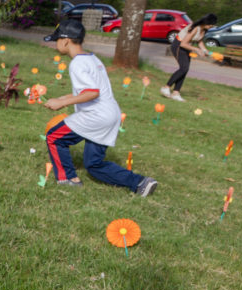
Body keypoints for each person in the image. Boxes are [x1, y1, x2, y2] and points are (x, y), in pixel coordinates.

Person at [43, 20, 157, 196]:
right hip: (111, 114)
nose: (55, 44)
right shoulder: (91, 58)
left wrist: (62, 103)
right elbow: (89, 90)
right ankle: (141, 182)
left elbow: (92, 92)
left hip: (95, 116)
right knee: (94, 165)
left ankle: (67, 179)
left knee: (54, 136)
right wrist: (61, 98)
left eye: (56, 40)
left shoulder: (77, 63)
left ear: (65, 41)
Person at [161, 13, 217, 102]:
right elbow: (183, 44)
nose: (211, 27)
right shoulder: (195, 28)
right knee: (183, 68)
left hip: (187, 47)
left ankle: (176, 93)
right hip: (178, 45)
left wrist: (206, 51)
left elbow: (199, 41)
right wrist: (197, 50)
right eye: (211, 25)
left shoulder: (204, 30)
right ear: (207, 22)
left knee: (185, 69)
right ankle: (166, 87)